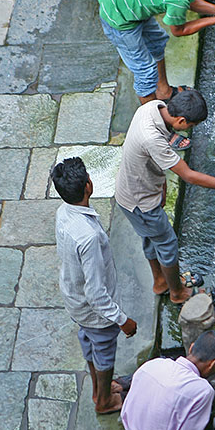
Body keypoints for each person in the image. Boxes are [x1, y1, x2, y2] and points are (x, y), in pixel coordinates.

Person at [115, 88, 215, 304]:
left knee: (150, 239)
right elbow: (189, 175)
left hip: (131, 192)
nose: (190, 130)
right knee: (167, 244)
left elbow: (151, 159)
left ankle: (160, 281)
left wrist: (162, 185)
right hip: (141, 202)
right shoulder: (152, 138)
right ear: (182, 120)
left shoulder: (152, 107)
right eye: (191, 127)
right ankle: (177, 294)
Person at [98, 0, 215, 148]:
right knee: (145, 71)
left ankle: (164, 92)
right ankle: (157, 128)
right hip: (119, 16)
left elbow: (188, 0)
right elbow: (179, 30)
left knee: (157, 41)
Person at [52, 157, 139, 414]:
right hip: (95, 311)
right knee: (104, 351)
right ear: (88, 185)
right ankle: (105, 402)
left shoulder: (63, 212)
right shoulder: (88, 237)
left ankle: (99, 390)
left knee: (88, 342)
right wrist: (122, 319)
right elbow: (96, 293)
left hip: (74, 299)